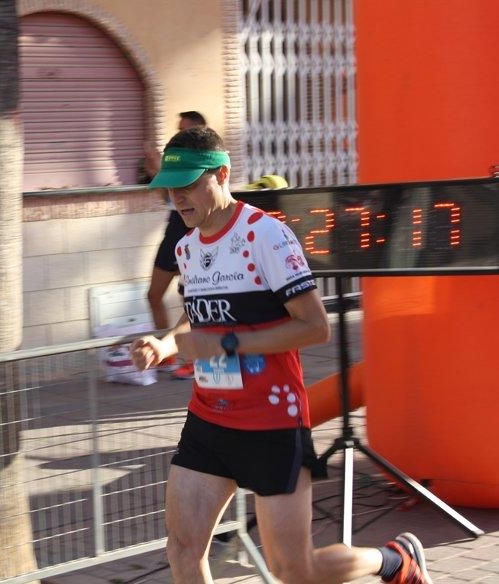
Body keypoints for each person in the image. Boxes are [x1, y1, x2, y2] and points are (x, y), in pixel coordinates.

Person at [130, 127, 432, 584]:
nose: (179, 197)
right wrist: (166, 344)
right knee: (182, 549)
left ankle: (394, 560)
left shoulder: (265, 235)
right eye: (171, 187)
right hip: (209, 420)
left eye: (189, 184)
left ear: (222, 175)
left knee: (294, 571)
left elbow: (314, 327)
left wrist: (228, 343)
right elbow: (197, 320)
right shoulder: (187, 248)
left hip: (270, 424)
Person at [142, 111, 208, 380]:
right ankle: (166, 353)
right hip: (175, 227)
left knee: (194, 301)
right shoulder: (177, 158)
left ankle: (191, 359)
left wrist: (158, 167)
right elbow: (166, 195)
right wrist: (154, 171)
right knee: (153, 295)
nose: (178, 133)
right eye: (178, 128)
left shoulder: (202, 159)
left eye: (184, 129)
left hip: (191, 228)